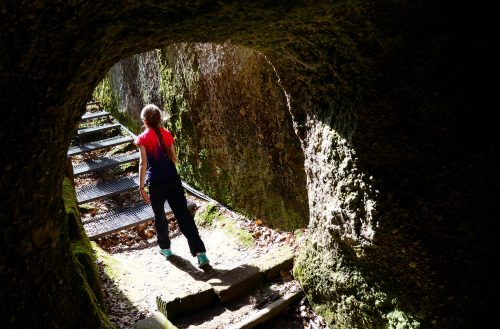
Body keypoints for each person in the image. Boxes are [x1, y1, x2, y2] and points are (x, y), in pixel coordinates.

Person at [134, 104, 209, 268]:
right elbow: (173, 157)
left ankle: (166, 249)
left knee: (159, 216)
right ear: (159, 119)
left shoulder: (142, 139)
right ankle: (201, 253)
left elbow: (143, 164)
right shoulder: (167, 134)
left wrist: (141, 187)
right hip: (173, 179)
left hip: (156, 183)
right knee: (184, 215)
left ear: (144, 121)